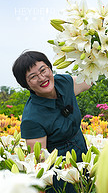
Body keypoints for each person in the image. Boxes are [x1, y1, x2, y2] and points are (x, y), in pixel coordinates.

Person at [12, 50, 91, 193]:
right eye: (33, 77)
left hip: (83, 156)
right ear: (26, 85)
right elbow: (40, 163)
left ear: (50, 68)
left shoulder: (64, 83)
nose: (42, 77)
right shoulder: (31, 118)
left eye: (43, 70)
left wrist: (90, 54)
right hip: (60, 173)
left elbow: (89, 81)